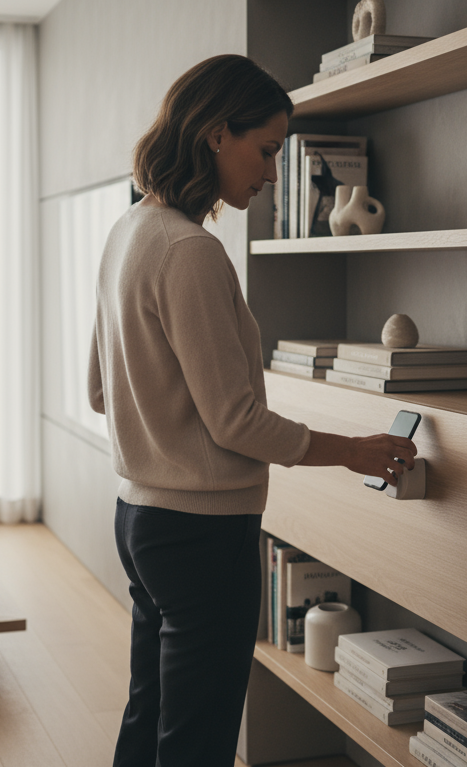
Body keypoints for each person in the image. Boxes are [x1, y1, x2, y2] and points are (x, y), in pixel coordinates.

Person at [87, 54, 417, 767]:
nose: (272, 175)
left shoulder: (127, 232)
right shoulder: (190, 252)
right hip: (200, 533)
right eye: (266, 151)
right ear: (214, 134)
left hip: (139, 522)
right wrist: (353, 451)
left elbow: (98, 391)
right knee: (199, 738)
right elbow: (235, 422)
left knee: (151, 713)